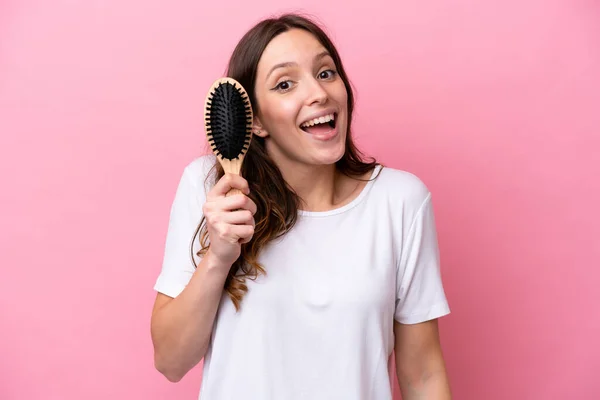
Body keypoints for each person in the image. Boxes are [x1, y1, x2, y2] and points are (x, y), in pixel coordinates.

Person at [150, 13, 452, 400]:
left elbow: (423, 375)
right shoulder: (211, 189)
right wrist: (218, 257)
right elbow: (171, 361)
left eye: (326, 73)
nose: (319, 93)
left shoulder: (401, 201)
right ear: (254, 120)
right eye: (285, 83)